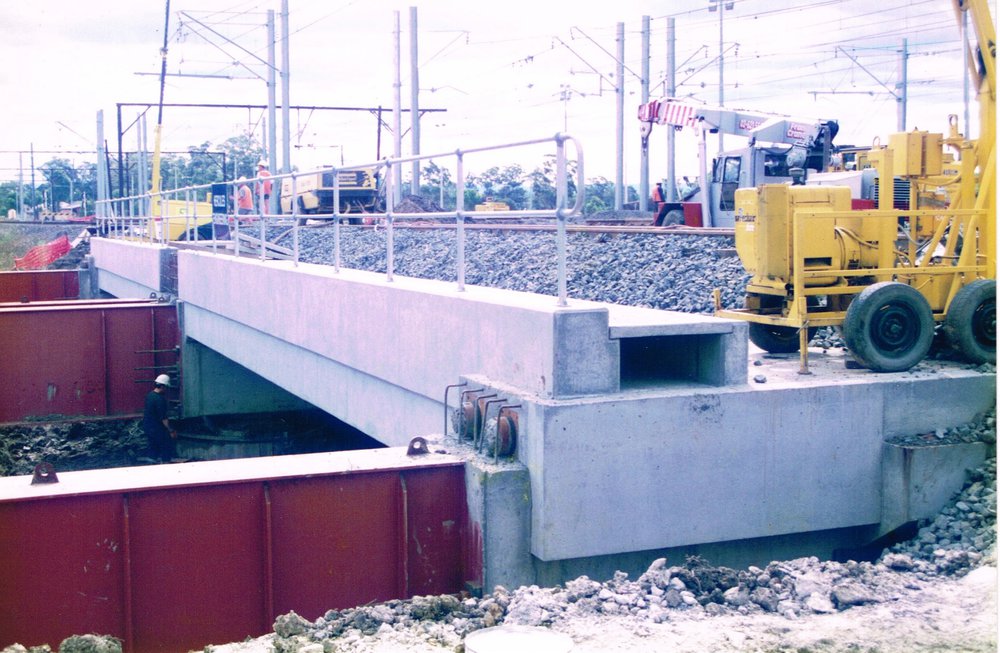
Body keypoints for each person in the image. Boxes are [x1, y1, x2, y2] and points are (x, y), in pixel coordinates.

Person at [143, 373, 176, 462]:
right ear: (162, 386)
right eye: (166, 387)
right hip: (158, 428)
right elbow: (163, 418)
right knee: (166, 447)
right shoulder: (160, 399)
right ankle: (165, 463)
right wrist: (170, 430)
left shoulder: (149, 395)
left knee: (153, 447)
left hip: (148, 427)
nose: (166, 390)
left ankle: (151, 463)